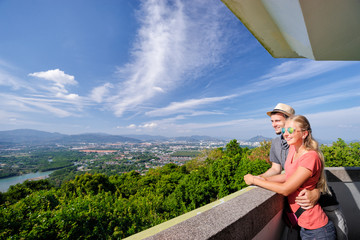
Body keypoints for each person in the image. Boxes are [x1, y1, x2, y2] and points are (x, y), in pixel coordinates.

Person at [244, 115, 336, 239]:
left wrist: (254, 180)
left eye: (291, 130)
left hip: (317, 229)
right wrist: (263, 179)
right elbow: (288, 176)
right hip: (302, 226)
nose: (286, 134)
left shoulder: (310, 156)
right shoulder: (293, 149)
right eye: (284, 130)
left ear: (304, 134)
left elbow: (286, 189)